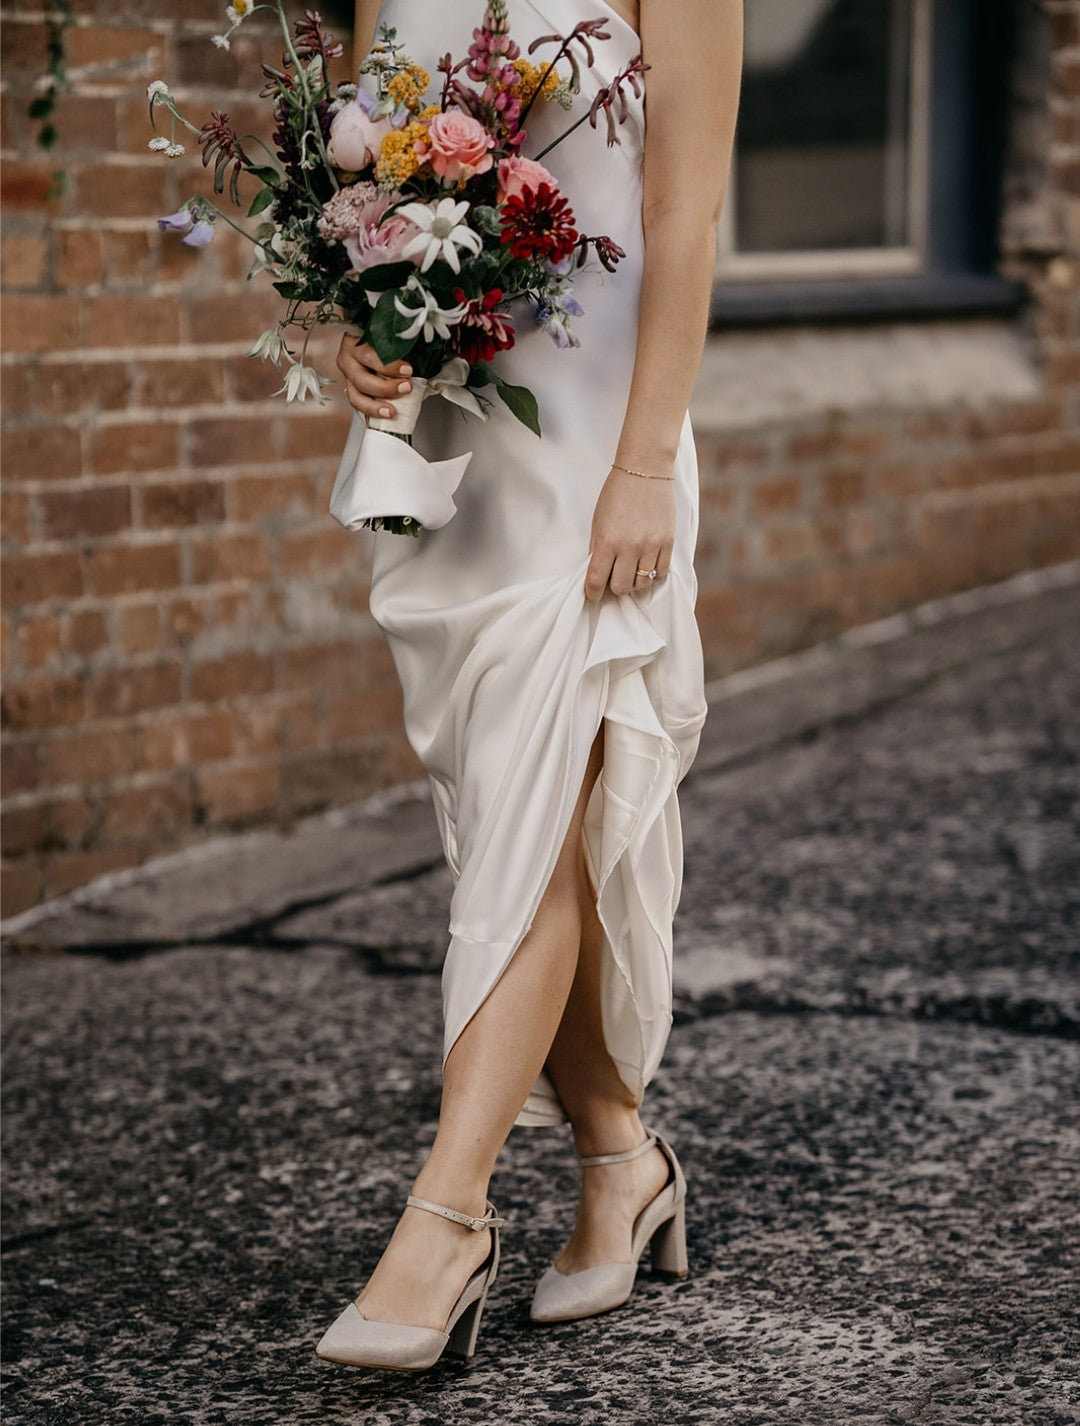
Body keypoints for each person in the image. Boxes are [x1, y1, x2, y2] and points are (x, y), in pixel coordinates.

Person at [317, 0, 743, 1370]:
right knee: (502, 812)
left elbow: (683, 216)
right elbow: (371, 191)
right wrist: (360, 337)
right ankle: (623, 1156)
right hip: (458, 448)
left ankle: (444, 1221)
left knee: (541, 811)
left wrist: (642, 465)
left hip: (593, 449)